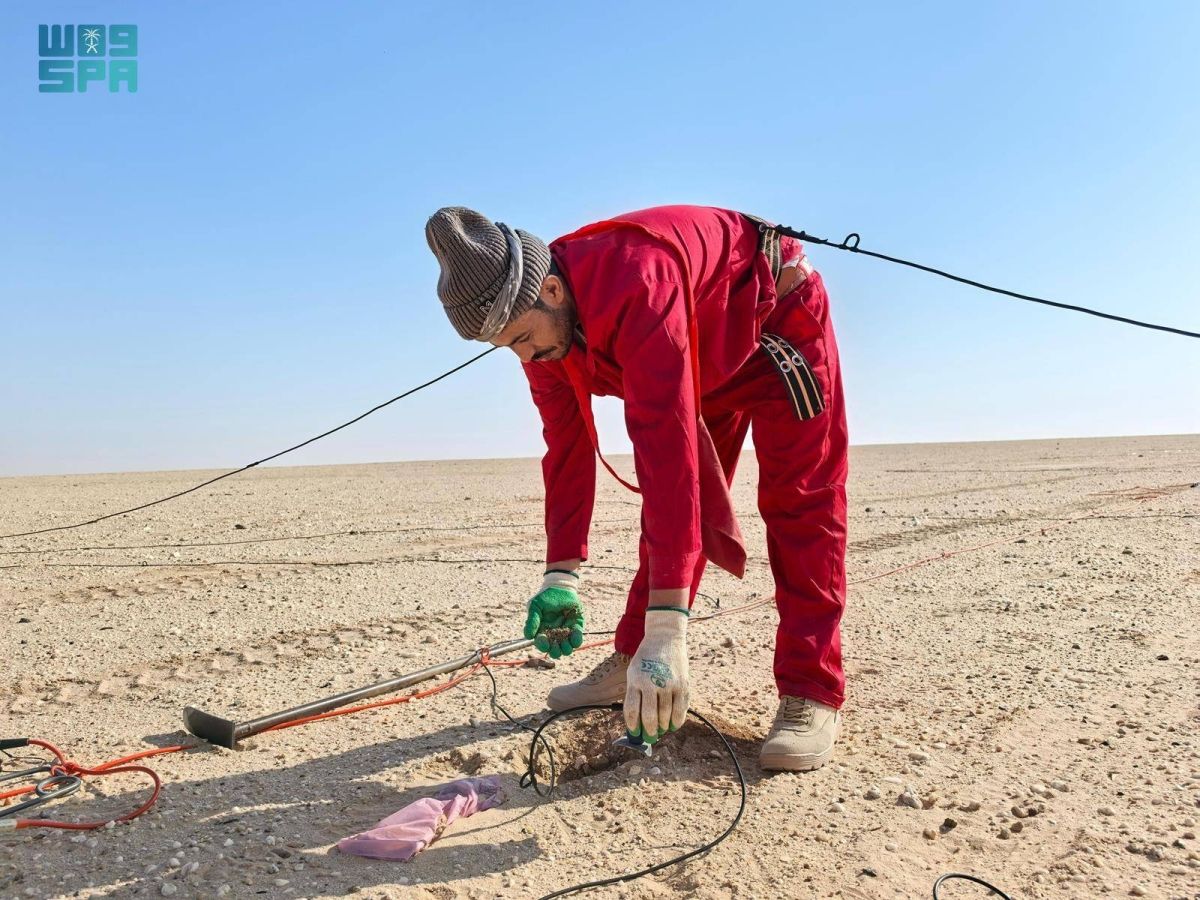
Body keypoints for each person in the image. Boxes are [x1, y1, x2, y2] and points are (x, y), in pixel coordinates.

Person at [425, 205, 849, 771]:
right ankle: (631, 656)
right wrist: (561, 576)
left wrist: (670, 628)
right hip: (699, 354)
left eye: (524, 339)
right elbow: (567, 452)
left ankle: (810, 692)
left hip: (774, 333)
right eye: (509, 348)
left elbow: (664, 447)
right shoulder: (539, 332)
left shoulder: (637, 281)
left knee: (801, 507)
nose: (525, 357)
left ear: (551, 289)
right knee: (675, 508)